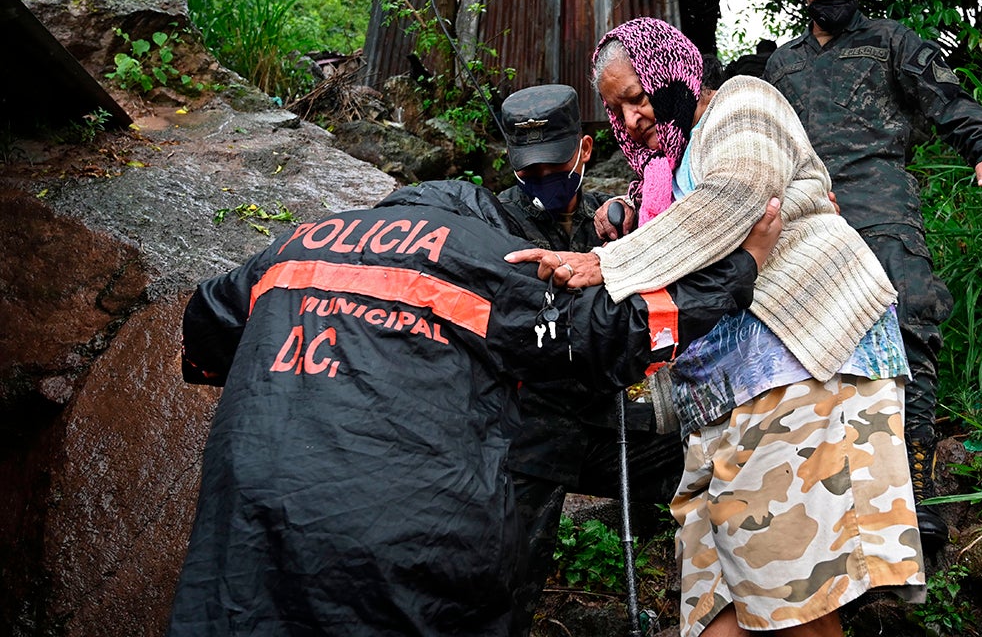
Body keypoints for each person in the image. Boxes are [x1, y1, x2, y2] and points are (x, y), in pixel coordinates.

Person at [167, 179, 781, 637]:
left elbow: (205, 328)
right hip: (407, 541)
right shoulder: (475, 254)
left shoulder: (291, 247)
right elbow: (599, 337)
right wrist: (736, 272)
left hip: (252, 528)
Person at [511, 17, 925, 637]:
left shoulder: (744, 103)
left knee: (794, 601)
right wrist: (632, 216)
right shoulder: (661, 169)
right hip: (723, 396)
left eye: (637, 96)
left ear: (672, 73)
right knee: (715, 609)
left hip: (805, 358)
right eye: (613, 108)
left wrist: (607, 263)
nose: (629, 119)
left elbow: (738, 198)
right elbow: (684, 228)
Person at [763, 0, 982, 548]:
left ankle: (916, 482)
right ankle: (827, 496)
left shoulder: (892, 43)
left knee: (909, 317)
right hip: (805, 212)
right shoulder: (781, 66)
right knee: (806, 342)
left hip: (881, 201)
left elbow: (950, 101)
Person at [494, 84, 686, 637]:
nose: (544, 182)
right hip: (530, 428)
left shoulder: (612, 219)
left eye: (555, 166)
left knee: (705, 463)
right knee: (509, 578)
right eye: (530, 172)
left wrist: (632, 231)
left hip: (609, 419)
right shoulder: (494, 225)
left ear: (583, 149)